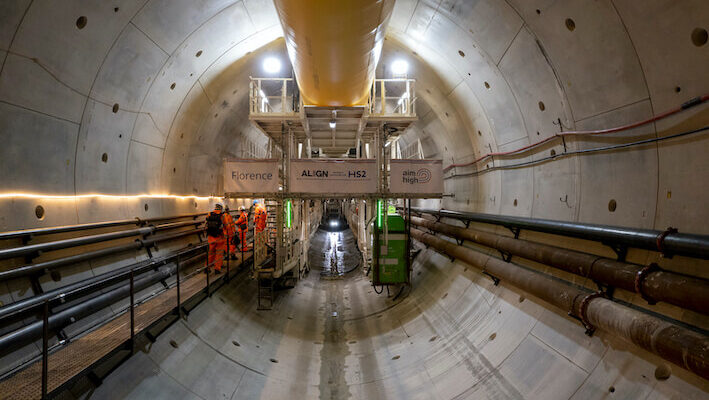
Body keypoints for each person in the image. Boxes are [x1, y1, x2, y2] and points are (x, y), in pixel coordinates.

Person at [205, 203, 230, 274]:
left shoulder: (209, 214)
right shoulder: (222, 216)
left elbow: (206, 225)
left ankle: (207, 267)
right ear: (221, 208)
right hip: (220, 238)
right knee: (219, 254)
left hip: (211, 237)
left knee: (210, 253)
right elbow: (227, 226)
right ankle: (217, 269)